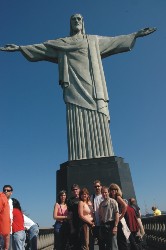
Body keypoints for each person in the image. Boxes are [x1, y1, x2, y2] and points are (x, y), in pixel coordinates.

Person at [0, 14, 156, 161]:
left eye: (79, 18)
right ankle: (79, 155)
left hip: (94, 86)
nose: (76, 20)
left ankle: (103, 153)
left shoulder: (94, 40)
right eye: (73, 19)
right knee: (76, 117)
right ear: (70, 23)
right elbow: (42, 48)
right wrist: (20, 48)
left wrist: (135, 34)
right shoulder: (61, 44)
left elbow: (115, 41)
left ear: (83, 23)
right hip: (74, 87)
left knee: (98, 114)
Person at [109, 183, 129, 250]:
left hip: (119, 220)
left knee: (121, 239)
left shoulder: (117, 197)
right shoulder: (112, 198)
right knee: (119, 240)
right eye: (111, 189)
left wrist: (121, 215)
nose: (113, 191)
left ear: (117, 190)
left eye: (114, 189)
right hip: (116, 219)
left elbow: (125, 205)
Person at [90, 180, 103, 249]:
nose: (97, 188)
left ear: (101, 187)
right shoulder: (92, 197)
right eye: (95, 186)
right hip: (97, 223)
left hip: (104, 223)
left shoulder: (104, 195)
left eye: (98, 186)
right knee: (99, 243)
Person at [67, 184, 80, 250]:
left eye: (76, 189)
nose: (75, 191)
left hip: (83, 224)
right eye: (73, 190)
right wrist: (71, 226)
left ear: (79, 190)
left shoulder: (83, 198)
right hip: (75, 224)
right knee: (75, 244)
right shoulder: (70, 201)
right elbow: (70, 214)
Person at [3, 185, 13, 250]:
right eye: (4, 190)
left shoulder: (13, 203)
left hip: (9, 232)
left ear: (11, 192)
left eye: (8, 190)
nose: (6, 191)